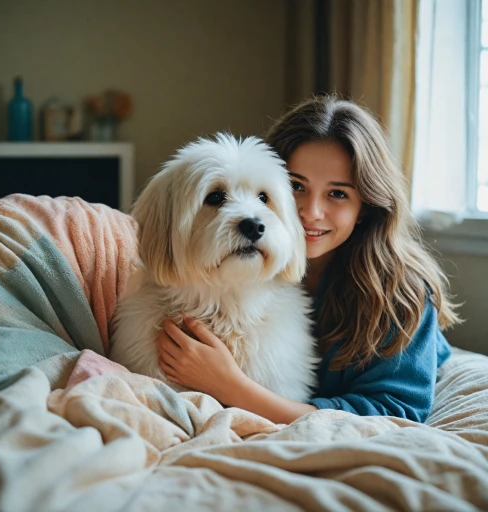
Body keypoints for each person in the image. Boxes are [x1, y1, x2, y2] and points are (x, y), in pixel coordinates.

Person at [156, 94, 461, 425]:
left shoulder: (401, 292)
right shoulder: (238, 259)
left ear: (366, 208)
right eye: (296, 186)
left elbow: (395, 413)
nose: (311, 213)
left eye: (338, 193)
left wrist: (231, 386)